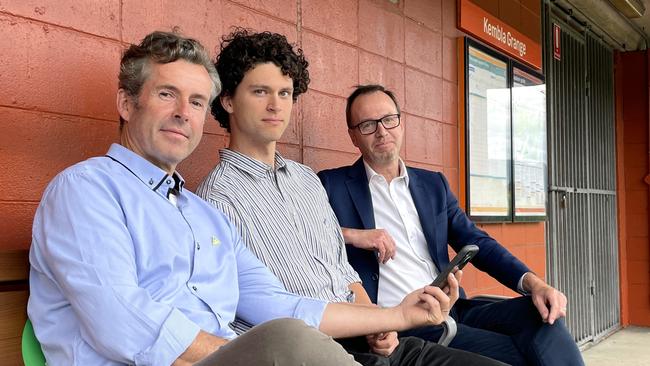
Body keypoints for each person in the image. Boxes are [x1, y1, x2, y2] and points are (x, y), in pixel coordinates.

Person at [27, 32, 472, 366]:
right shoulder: (86, 189)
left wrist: (396, 315)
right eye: (167, 95)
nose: (185, 112)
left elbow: (281, 303)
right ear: (127, 103)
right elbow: (122, 320)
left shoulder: (201, 216)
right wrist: (251, 354)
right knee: (291, 341)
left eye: (197, 101)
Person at [197, 29, 505, 366]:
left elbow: (342, 271)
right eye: (260, 92)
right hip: (309, 352)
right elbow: (272, 309)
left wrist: (379, 323)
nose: (276, 105)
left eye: (285, 93)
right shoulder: (218, 199)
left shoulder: (305, 179)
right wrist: (393, 317)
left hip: (369, 336)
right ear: (227, 100)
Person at [317, 84, 586, 366]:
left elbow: (478, 242)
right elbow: (303, 238)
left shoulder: (433, 185)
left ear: (401, 122)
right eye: (368, 125)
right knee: (526, 355)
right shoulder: (331, 185)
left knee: (541, 313)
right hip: (404, 321)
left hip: (452, 307)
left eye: (388, 119)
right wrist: (351, 235)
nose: (382, 131)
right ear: (353, 137)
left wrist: (535, 284)